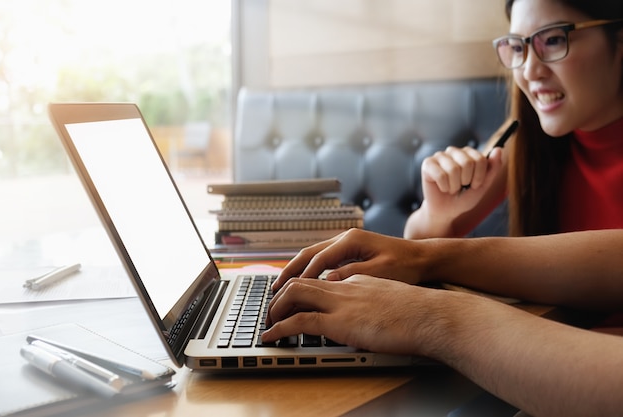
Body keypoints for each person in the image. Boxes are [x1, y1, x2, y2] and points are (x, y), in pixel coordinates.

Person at [262, 0, 623, 416]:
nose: (529, 69)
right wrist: (437, 217)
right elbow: (416, 250)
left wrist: (431, 306)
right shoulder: (528, 147)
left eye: (554, 40)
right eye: (517, 47)